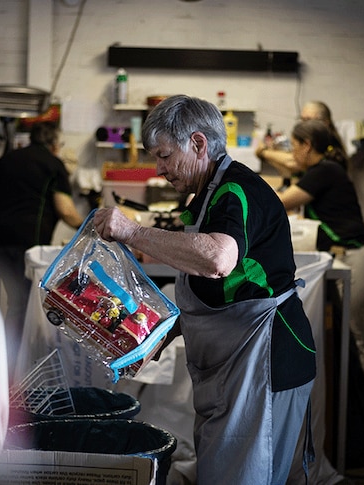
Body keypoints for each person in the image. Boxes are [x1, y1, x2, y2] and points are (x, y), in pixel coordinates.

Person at [92, 95, 316, 485]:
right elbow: (219, 288)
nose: (158, 169)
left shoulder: (236, 192)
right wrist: (158, 334)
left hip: (265, 361)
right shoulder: (209, 195)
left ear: (198, 143)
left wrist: (131, 231)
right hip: (238, 366)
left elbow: (217, 260)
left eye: (164, 156)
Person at [277, 119, 364, 393]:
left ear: (307, 146)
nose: (293, 154)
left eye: (294, 146)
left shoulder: (324, 171)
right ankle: (352, 407)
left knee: (354, 331)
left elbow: (280, 203)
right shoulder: (323, 171)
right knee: (348, 332)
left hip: (357, 258)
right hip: (346, 257)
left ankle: (362, 411)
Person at [0, 121, 84, 382]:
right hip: (27, 242)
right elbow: (65, 210)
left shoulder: (8, 158)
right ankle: (9, 374)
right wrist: (91, 226)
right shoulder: (53, 164)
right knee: (20, 305)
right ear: (54, 144)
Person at [255, 100, 346, 187]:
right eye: (302, 119)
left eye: (308, 120)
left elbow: (294, 162)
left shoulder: (331, 151)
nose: (303, 124)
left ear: (325, 123)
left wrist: (263, 152)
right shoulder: (316, 142)